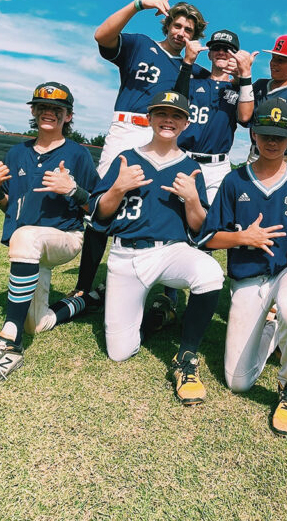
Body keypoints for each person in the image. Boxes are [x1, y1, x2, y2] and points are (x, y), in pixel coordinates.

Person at [65, 0, 208, 321]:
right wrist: (138, 4)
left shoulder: (192, 67)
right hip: (128, 127)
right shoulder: (142, 45)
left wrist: (199, 64)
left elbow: (201, 96)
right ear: (167, 24)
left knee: (170, 203)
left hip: (166, 133)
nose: (182, 32)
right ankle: (84, 287)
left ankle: (168, 291)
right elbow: (102, 36)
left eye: (189, 28)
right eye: (177, 24)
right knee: (103, 205)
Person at [196, 97, 287, 436]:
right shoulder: (234, 181)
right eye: (265, 134)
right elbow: (207, 238)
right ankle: (271, 331)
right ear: (253, 134)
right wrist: (244, 238)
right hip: (248, 277)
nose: (272, 142)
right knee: (237, 382)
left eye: (280, 135)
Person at [0, 82, 100, 391]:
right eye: (42, 107)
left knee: (25, 237)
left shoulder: (78, 155)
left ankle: (9, 336)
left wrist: (73, 189)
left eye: (57, 109)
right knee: (38, 322)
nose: (49, 112)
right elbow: (9, 207)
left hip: (66, 238)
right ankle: (87, 300)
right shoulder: (16, 152)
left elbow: (100, 209)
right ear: (33, 112)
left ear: (68, 116)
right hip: (30, 246)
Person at [91, 90, 225, 406]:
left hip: (170, 252)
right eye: (162, 113)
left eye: (176, 115)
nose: (168, 120)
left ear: (186, 123)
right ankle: (160, 314)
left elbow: (198, 227)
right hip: (125, 254)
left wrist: (192, 199)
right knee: (119, 353)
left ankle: (186, 355)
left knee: (210, 272)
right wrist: (118, 187)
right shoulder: (125, 158)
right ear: (149, 118)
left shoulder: (191, 167)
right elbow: (99, 214)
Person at [176, 29, 257, 203]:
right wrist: (188, 61)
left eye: (227, 49)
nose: (221, 52)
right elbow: (176, 106)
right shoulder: (193, 82)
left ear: (235, 56)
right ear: (210, 54)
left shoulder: (239, 89)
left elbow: (245, 117)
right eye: (217, 47)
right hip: (184, 158)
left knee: (212, 218)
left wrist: (245, 76)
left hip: (217, 166)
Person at [239, 34, 287, 171]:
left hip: (285, 158)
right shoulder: (259, 85)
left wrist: (280, 127)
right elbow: (244, 118)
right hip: (256, 155)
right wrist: (241, 75)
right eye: (273, 58)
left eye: (281, 60)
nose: (273, 63)